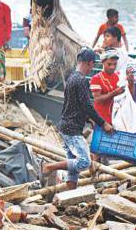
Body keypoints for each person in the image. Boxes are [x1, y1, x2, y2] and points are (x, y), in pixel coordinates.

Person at [41, 49, 113, 189]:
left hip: (66, 125)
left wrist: (88, 119)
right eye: (93, 65)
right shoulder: (81, 80)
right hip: (72, 129)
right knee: (84, 162)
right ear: (89, 63)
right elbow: (87, 105)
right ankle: (48, 167)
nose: (92, 68)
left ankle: (71, 195)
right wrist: (103, 123)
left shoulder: (72, 78)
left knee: (73, 169)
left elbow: (75, 104)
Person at [89, 49, 124, 125]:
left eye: (115, 64)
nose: (112, 67)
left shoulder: (118, 76)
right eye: (109, 64)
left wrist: (131, 82)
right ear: (103, 62)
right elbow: (97, 99)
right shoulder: (96, 78)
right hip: (101, 119)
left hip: (115, 118)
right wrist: (114, 93)